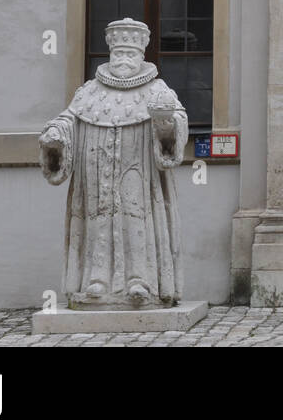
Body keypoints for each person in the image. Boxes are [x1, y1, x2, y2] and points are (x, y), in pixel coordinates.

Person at [39, 18, 187, 309]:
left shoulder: (157, 89)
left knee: (136, 220)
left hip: (138, 172)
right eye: (118, 54)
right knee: (99, 220)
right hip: (96, 173)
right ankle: (97, 279)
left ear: (141, 55)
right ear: (110, 54)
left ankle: (140, 280)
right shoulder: (89, 92)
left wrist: (166, 122)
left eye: (129, 54)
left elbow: (176, 123)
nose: (122, 59)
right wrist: (56, 135)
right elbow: (68, 120)